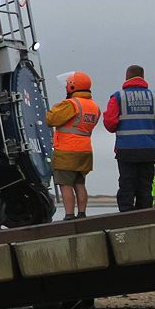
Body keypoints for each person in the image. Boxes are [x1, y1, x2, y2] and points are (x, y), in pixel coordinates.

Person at [103, 65, 155, 213]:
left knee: (126, 184)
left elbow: (110, 124)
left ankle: (126, 216)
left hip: (125, 150)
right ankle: (144, 216)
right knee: (145, 185)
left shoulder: (118, 97)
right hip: (148, 151)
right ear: (143, 77)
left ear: (127, 77)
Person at [45, 71, 99, 220]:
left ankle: (69, 215)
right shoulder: (94, 106)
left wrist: (58, 106)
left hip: (67, 150)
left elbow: (51, 119)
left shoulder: (71, 104)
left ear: (73, 86)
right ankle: (82, 214)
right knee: (79, 184)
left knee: (65, 184)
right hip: (85, 150)